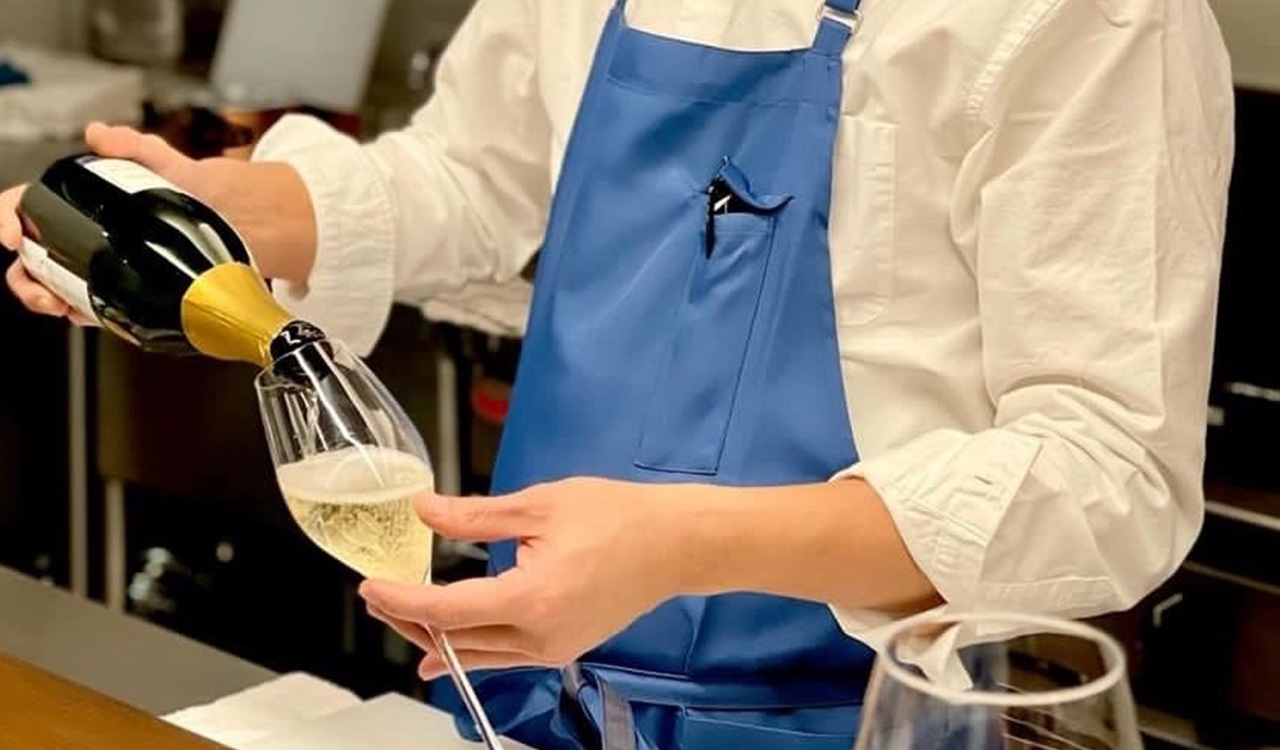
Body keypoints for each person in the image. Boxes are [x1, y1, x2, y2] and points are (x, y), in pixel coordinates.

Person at [0, 0, 1235, 748]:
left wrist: (684, 545)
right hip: (521, 704)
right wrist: (243, 209)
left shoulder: (1093, 20)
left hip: (862, 721)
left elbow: (1109, 470)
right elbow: (476, 171)